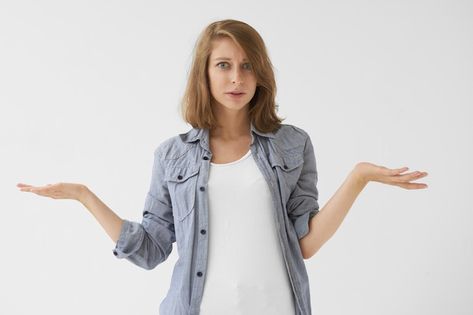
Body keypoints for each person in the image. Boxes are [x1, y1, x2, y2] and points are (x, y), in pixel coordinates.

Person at [17, 19, 428, 315]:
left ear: (261, 74)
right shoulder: (172, 156)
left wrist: (358, 178)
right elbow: (151, 250)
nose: (237, 77)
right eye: (224, 65)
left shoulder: (293, 144)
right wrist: (85, 197)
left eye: (248, 65)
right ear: (205, 73)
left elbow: (306, 244)